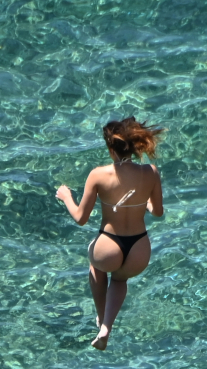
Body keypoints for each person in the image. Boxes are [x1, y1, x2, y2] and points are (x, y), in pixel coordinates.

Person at [56, 117, 165, 350]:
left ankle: (100, 317)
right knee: (120, 278)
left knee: (96, 266)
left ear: (110, 147)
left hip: (109, 245)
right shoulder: (150, 172)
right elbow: (157, 212)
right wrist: (142, 203)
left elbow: (80, 218)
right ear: (135, 145)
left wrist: (66, 197)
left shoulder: (98, 175)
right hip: (138, 250)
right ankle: (106, 326)